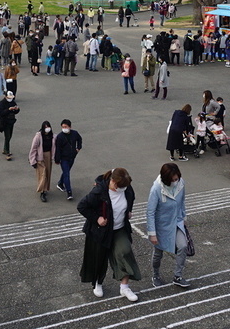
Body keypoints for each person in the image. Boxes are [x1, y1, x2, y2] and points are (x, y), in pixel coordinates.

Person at [77, 167, 141, 302]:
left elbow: (131, 198)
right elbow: (82, 206)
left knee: (125, 251)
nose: (122, 190)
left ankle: (124, 287)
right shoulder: (99, 192)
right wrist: (97, 218)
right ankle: (98, 283)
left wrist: (129, 211)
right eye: (120, 187)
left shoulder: (126, 188)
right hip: (101, 232)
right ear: (112, 181)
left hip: (119, 228)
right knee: (99, 258)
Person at [146, 162, 190, 288]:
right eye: (173, 179)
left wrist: (183, 216)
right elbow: (150, 212)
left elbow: (182, 201)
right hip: (161, 226)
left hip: (176, 222)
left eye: (177, 178)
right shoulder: (156, 189)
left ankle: (178, 275)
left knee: (183, 246)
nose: (176, 181)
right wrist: (152, 233)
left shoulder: (181, 183)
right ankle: (155, 274)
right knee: (158, 253)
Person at [54, 119, 83, 200]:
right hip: (64, 159)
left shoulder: (75, 133)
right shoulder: (60, 137)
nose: (64, 128)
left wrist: (78, 148)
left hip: (72, 157)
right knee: (67, 174)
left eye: (65, 127)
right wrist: (57, 159)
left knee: (66, 172)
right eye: (63, 127)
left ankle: (60, 183)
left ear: (70, 127)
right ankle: (69, 192)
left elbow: (79, 139)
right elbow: (58, 149)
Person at [29, 121, 56, 202]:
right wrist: (32, 161)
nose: (47, 129)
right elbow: (33, 149)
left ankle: (45, 189)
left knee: (47, 173)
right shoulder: (38, 136)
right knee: (42, 174)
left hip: (48, 155)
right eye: (46, 127)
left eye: (48, 127)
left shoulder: (53, 136)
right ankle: (42, 191)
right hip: (40, 157)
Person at [0, 91, 20, 160]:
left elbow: (16, 111)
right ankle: (7, 152)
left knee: (10, 136)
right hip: (5, 122)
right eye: (9, 97)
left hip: (11, 121)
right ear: (5, 97)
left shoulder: (13, 102)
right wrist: (8, 109)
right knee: (7, 136)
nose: (10, 99)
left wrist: (16, 109)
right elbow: (1, 113)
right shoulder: (2, 103)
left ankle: (5, 149)